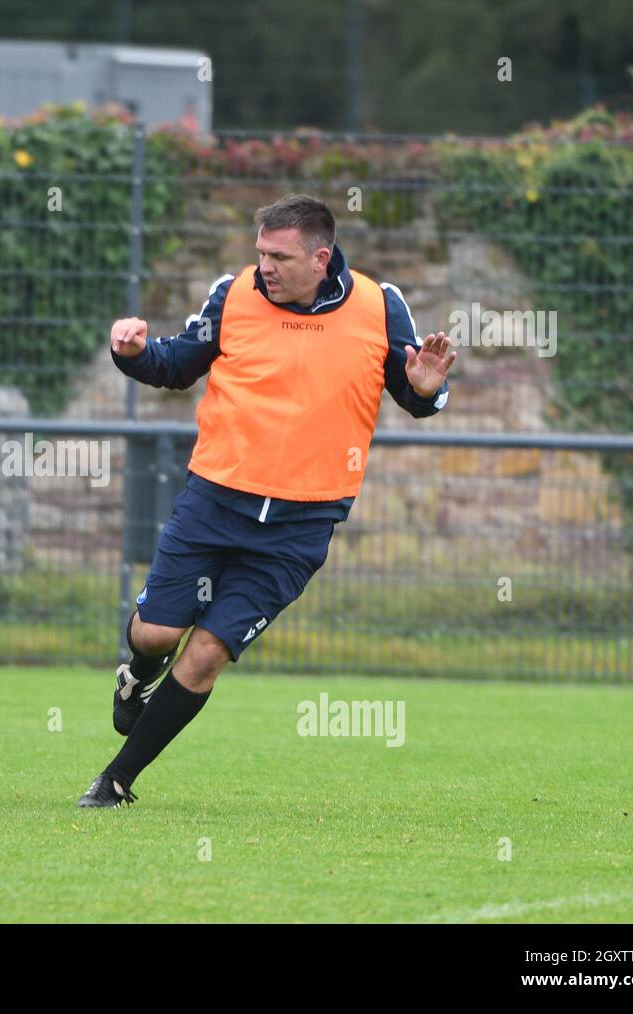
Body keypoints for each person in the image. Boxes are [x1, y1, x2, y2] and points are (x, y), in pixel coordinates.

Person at [79, 193, 454, 808]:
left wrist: (426, 392)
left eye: (279, 257)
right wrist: (134, 354)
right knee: (155, 634)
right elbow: (177, 364)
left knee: (204, 655)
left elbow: (415, 393)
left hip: (301, 526)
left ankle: (115, 781)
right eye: (260, 254)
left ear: (320, 257)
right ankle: (136, 674)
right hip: (214, 501)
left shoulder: (378, 305)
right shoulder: (234, 294)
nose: (265, 268)